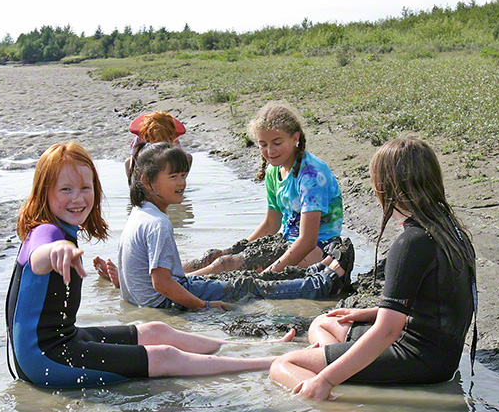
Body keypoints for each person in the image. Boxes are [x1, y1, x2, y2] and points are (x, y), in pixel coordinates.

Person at [5, 141, 295, 389]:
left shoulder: (59, 229)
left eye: (85, 187)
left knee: (157, 331)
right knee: (164, 355)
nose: (78, 197)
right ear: (44, 192)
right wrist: (56, 250)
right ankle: (272, 362)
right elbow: (39, 255)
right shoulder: (48, 234)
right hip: (45, 361)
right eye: (65, 189)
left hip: (61, 341)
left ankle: (255, 348)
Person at [269, 136, 478, 400]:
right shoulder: (452, 231)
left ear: (387, 187)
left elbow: (388, 331)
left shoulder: (411, 242)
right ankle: (346, 369)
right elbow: (438, 302)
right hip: (442, 356)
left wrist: (325, 379)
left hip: (416, 359)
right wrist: (370, 312)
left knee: (284, 365)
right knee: (326, 321)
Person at [113, 142, 355, 311]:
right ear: (145, 180)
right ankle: (321, 284)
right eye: (173, 177)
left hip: (147, 303)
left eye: (184, 176)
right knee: (249, 286)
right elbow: (162, 284)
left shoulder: (138, 214)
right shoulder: (158, 224)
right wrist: (204, 306)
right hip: (167, 303)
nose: (182, 183)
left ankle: (313, 277)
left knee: (233, 277)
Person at [186, 102, 347, 276]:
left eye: (277, 143)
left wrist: (270, 273)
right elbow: (271, 224)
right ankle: (166, 280)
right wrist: (239, 248)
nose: (270, 151)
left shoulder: (311, 175)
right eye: (263, 145)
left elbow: (308, 241)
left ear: (295, 138)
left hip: (319, 249)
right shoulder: (273, 171)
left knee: (225, 265)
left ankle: (180, 286)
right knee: (215, 257)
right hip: (288, 243)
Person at [123, 111, 187, 183]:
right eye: (153, 138)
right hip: (146, 163)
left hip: (167, 162)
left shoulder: (173, 139)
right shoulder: (140, 139)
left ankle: (177, 182)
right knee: (127, 162)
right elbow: (133, 159)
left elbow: (180, 158)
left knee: (188, 157)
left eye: (164, 138)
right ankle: (134, 185)